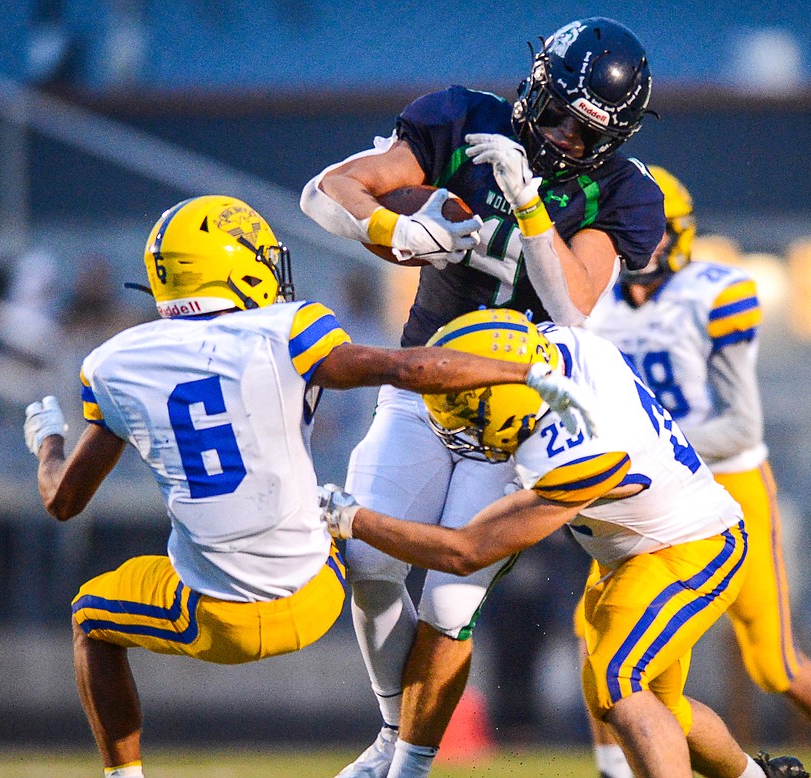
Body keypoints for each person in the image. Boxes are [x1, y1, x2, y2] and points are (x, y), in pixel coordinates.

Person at [22, 196, 593, 778]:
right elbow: (408, 369)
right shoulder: (285, 329)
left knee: (90, 617)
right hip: (316, 589)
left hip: (214, 617)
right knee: (372, 553)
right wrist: (526, 371)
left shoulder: (113, 365)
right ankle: (396, 738)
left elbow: (62, 501)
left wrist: (48, 441)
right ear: (236, 266)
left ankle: (125, 776)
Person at [299, 17, 665, 777]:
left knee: (449, 608)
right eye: (557, 111)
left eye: (584, 129)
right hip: (423, 391)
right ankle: (390, 735)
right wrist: (400, 234)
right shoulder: (464, 118)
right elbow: (325, 192)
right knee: (366, 563)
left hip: (518, 421)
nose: (563, 136)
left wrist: (530, 208)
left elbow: (572, 309)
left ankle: (407, 768)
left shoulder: (623, 192)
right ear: (535, 84)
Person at [318, 308, 809, 778]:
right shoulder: (558, 353)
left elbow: (462, 552)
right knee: (659, 706)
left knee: (619, 683)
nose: (462, 434)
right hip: (638, 556)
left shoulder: (575, 451)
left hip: (692, 549)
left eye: (469, 423)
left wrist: (351, 519)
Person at [583, 166, 811, 778]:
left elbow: (741, 428)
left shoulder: (714, 293)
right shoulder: (594, 301)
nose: (638, 243)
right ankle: (615, 768)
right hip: (646, 494)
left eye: (649, 229)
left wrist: (648, 445)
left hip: (726, 483)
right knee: (598, 631)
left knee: (772, 662)